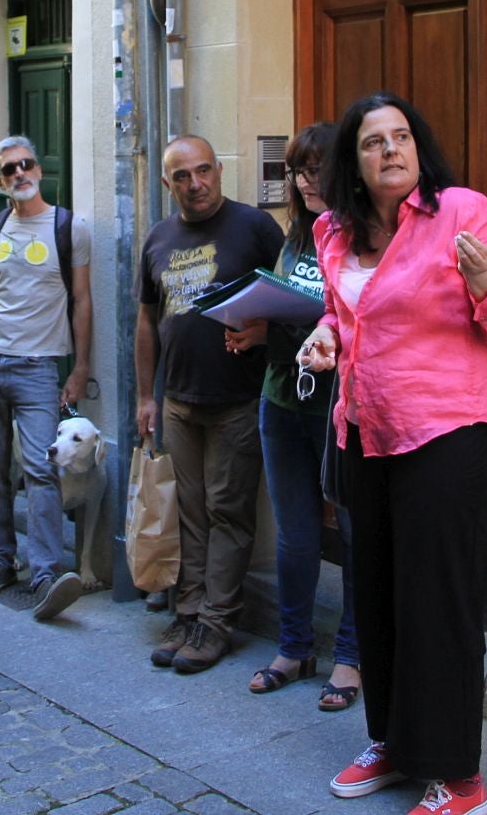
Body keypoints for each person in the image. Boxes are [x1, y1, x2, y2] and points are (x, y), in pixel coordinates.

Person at [302, 92, 487, 815]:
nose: (390, 150)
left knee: (440, 602)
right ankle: (396, 743)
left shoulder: (461, 212)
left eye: (402, 137)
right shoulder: (333, 232)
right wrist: (326, 338)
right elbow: (343, 315)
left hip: (446, 431)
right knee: (377, 595)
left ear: (418, 150)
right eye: (373, 142)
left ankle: (459, 776)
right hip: (367, 429)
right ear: (354, 162)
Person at [135, 134, 286, 673]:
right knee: (190, 514)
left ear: (220, 171)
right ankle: (189, 611)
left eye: (203, 171)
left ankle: (218, 622)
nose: (195, 184)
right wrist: (144, 397)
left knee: (228, 513)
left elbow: (297, 301)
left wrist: (266, 332)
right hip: (177, 401)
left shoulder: (256, 227)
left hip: (237, 399)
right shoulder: (157, 237)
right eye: (182, 175)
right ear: (167, 182)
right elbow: (148, 322)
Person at [249, 122, 361, 712]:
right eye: (298, 170)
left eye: (319, 168)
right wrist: (254, 323)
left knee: (353, 532)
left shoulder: (361, 234)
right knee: (295, 534)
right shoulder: (296, 233)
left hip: (340, 403)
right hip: (281, 396)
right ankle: (293, 648)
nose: (308, 180)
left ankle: (350, 658)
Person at [0, 136, 91, 621]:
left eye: (26, 164)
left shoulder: (68, 226)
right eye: (9, 169)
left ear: (39, 168)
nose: (19, 173)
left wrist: (79, 367)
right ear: (0, 181)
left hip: (38, 367)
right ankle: (0, 560)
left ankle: (46, 574)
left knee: (40, 468)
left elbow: (82, 300)